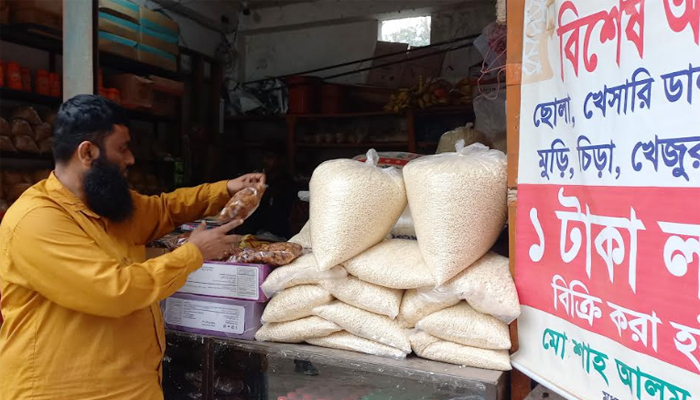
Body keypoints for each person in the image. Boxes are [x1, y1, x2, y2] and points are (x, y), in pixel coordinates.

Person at [0, 95, 265, 400]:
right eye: (122, 149)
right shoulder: (37, 220)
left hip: (128, 386)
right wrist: (194, 253)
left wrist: (224, 190)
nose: (131, 159)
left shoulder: (104, 204)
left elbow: (165, 208)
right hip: (61, 390)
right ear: (87, 152)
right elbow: (113, 291)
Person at [237, 142, 296, 239]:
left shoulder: (286, 183)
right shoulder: (259, 179)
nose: (265, 161)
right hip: (253, 233)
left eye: (270, 157)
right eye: (263, 157)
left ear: (281, 160)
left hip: (276, 235)